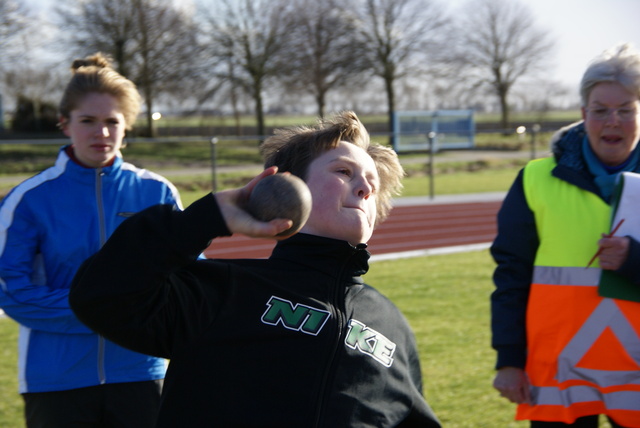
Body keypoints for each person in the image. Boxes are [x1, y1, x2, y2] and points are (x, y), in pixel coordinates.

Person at [68, 111, 441, 427]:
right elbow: (102, 295)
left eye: (372, 184)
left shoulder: (391, 324)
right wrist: (205, 219)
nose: (363, 188)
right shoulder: (226, 290)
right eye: (344, 172)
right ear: (288, 186)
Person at [0, 53, 182, 428]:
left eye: (111, 122)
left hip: (142, 371)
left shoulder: (157, 193)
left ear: (126, 126)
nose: (101, 133)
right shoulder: (30, 199)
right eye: (88, 121)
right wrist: (102, 310)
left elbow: (186, 279)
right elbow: (9, 289)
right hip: (56, 381)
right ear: (65, 123)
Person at [490, 43, 640, 427]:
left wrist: (633, 261)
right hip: (561, 373)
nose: (613, 121)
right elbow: (511, 273)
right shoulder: (536, 180)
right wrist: (508, 359)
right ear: (582, 114)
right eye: (601, 110)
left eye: (626, 110)